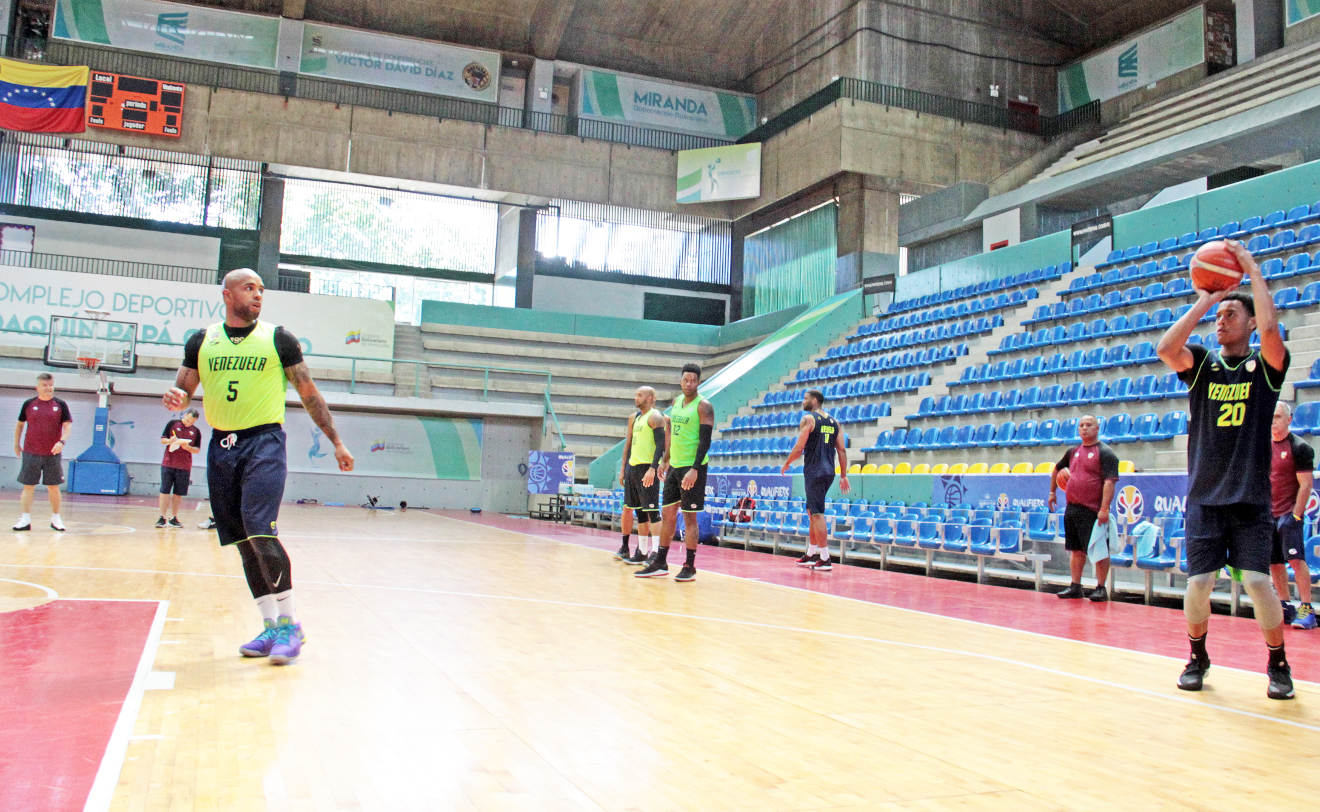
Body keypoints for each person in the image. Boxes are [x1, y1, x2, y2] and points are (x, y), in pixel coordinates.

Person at [164, 268, 354, 666]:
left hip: (264, 442)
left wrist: (336, 440)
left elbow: (309, 394)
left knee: (259, 528)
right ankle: (270, 626)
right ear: (227, 294)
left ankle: (290, 625)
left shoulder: (278, 338)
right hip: (222, 445)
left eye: (261, 290)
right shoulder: (202, 340)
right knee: (241, 540)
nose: (258, 295)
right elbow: (184, 388)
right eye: (249, 288)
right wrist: (176, 396)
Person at [1156, 240, 1293, 699]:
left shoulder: (1263, 368)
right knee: (1198, 585)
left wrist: (1250, 268)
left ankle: (1278, 664)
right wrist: (1207, 298)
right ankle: (1197, 656)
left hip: (1251, 498)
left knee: (1257, 581)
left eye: (1231, 314)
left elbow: (1273, 330)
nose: (1221, 320)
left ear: (1250, 323)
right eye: (1220, 316)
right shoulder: (1203, 366)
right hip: (1205, 498)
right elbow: (1165, 347)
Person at [636, 363, 714, 582]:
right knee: (668, 515)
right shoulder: (676, 402)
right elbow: (672, 433)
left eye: (693, 380)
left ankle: (689, 565)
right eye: (685, 379)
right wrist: (665, 459)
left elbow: (705, 441)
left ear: (699, 382)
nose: (689, 383)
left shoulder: (704, 406)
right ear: (680, 380)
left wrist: (695, 469)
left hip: (692, 469)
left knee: (690, 518)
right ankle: (661, 562)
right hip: (674, 467)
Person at [1048, 415, 1119, 602]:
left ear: (1097, 428)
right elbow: (1056, 469)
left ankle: (1101, 588)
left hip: (1093, 510)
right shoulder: (1072, 451)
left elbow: (1109, 482)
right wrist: (1052, 493)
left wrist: (1104, 509)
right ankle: (1075, 586)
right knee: (1075, 550)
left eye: (1089, 425)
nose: (1084, 428)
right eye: (1081, 425)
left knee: (1099, 550)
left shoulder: (1106, 453)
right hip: (1072, 508)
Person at [780, 389, 849, 571]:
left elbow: (799, 446)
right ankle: (811, 554)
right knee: (812, 511)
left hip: (815, 470)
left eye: (806, 399)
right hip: (829, 471)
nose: (803, 402)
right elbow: (841, 450)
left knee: (817, 514)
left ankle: (825, 557)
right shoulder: (835, 422)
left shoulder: (808, 419)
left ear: (815, 400)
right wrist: (843, 475)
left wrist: (787, 462)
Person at [1269, 402, 1315, 629]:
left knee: (1296, 561)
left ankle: (1306, 608)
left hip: (1289, 514)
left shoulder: (1300, 447)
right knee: (1274, 563)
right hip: (1269, 515)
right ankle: (1284, 606)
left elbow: (1306, 485)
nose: (1273, 420)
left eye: (1278, 416)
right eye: (1271, 416)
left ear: (1289, 419)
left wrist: (1296, 516)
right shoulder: (1262, 447)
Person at [13, 372, 72, 532]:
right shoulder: (29, 404)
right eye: (45, 385)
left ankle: (56, 518)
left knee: (53, 486)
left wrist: (62, 441)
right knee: (28, 486)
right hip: (31, 451)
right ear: (37, 387)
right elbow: (20, 425)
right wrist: (16, 443)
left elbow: (67, 426)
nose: (49, 388)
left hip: (52, 453)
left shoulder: (60, 404)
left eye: (51, 385)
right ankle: (25, 519)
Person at [617, 386, 665, 565]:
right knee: (640, 512)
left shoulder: (655, 417)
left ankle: (657, 552)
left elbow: (661, 446)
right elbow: (629, 446)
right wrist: (624, 469)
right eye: (635, 394)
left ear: (650, 397)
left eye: (640, 395)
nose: (636, 398)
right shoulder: (636, 418)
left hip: (647, 468)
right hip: (633, 468)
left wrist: (653, 468)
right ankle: (642, 551)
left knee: (652, 511)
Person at [155, 408, 202, 528]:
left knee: (178, 493)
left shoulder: (196, 431)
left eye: (191, 422)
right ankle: (162, 517)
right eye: (187, 420)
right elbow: (162, 440)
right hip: (168, 463)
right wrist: (170, 441)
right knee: (164, 490)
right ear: (185, 415)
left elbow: (197, 449)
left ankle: (174, 517)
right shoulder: (172, 424)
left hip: (184, 466)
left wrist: (188, 448)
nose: (188, 423)